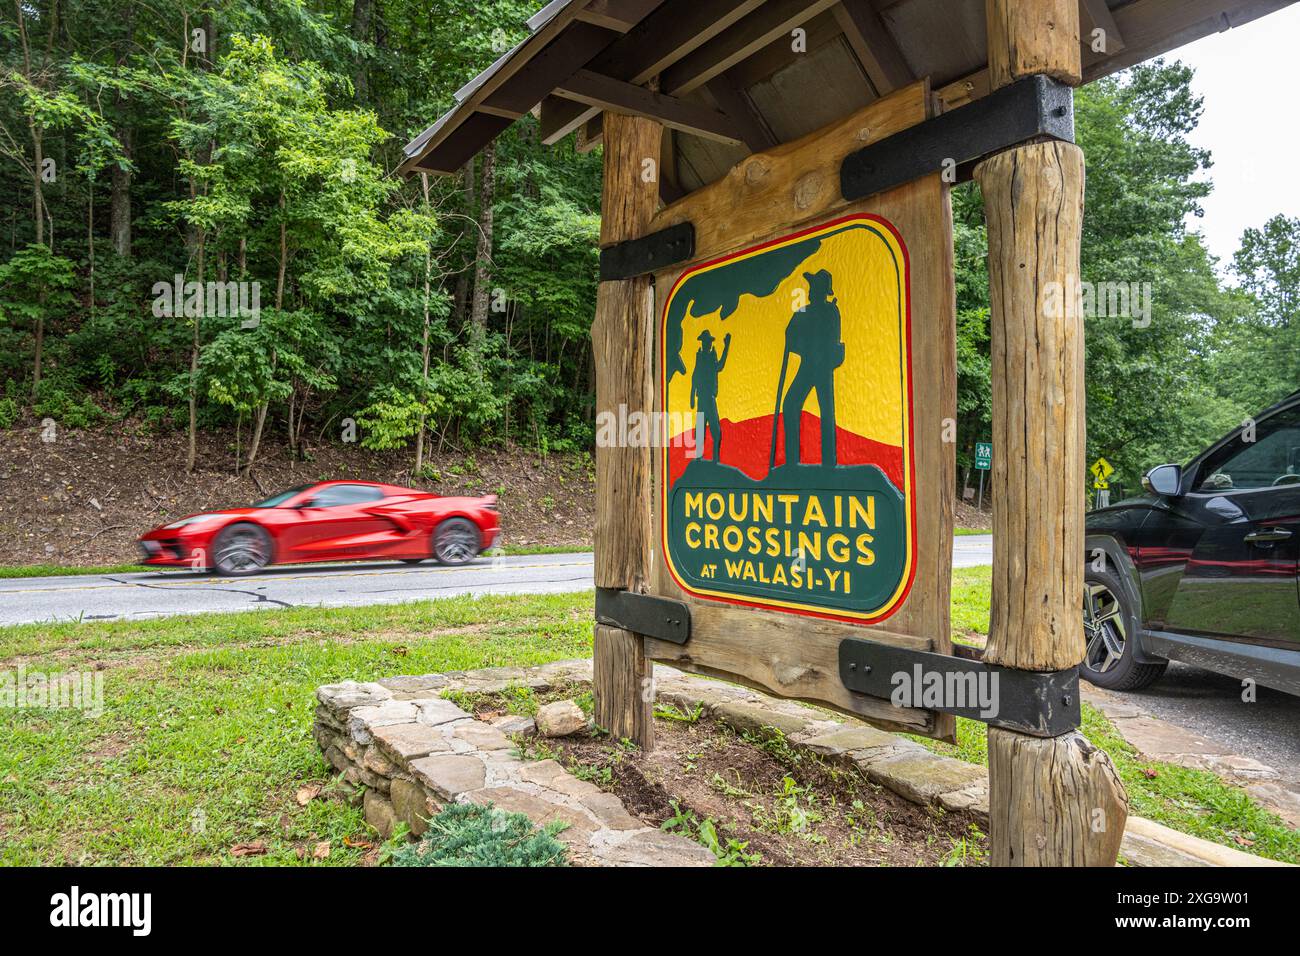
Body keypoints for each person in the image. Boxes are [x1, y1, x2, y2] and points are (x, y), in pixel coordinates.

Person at [781, 269, 844, 466]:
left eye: (814, 287)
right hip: (807, 366)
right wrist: (793, 333)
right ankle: (792, 461)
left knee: (826, 412)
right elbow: (789, 333)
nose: (810, 291)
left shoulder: (830, 311)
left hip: (822, 367)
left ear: (821, 290)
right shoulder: (804, 311)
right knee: (790, 404)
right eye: (810, 287)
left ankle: (828, 463)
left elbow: (830, 340)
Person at [691, 329, 731, 461]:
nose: (706, 344)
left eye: (707, 341)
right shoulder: (700, 356)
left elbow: (720, 366)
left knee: (716, 430)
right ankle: (699, 458)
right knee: (700, 430)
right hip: (702, 399)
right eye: (704, 342)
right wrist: (692, 395)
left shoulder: (712, 356)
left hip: (710, 398)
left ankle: (716, 458)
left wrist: (726, 347)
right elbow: (695, 376)